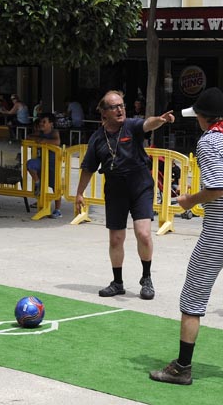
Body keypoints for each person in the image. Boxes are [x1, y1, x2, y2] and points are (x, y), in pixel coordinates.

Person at [149, 87, 223, 389]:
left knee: (192, 300)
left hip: (218, 234)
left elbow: (217, 187)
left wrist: (190, 200)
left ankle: (182, 367)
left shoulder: (209, 142)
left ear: (203, 118)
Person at [75, 90, 174, 300]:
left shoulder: (131, 126)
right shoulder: (97, 138)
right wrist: (79, 193)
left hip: (140, 186)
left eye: (122, 105)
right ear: (104, 113)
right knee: (116, 239)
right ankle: (117, 282)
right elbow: (88, 167)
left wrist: (162, 120)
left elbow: (148, 124)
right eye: (114, 107)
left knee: (144, 233)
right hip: (115, 189)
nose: (120, 110)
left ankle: (146, 278)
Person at [26, 116, 62, 218]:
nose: (41, 124)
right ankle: (37, 184)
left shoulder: (54, 132)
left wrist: (42, 141)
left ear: (51, 124)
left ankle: (57, 210)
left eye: (44, 122)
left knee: (56, 186)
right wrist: (39, 139)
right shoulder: (40, 133)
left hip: (53, 163)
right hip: (42, 161)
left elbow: (57, 142)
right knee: (30, 164)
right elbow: (29, 137)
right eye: (41, 122)